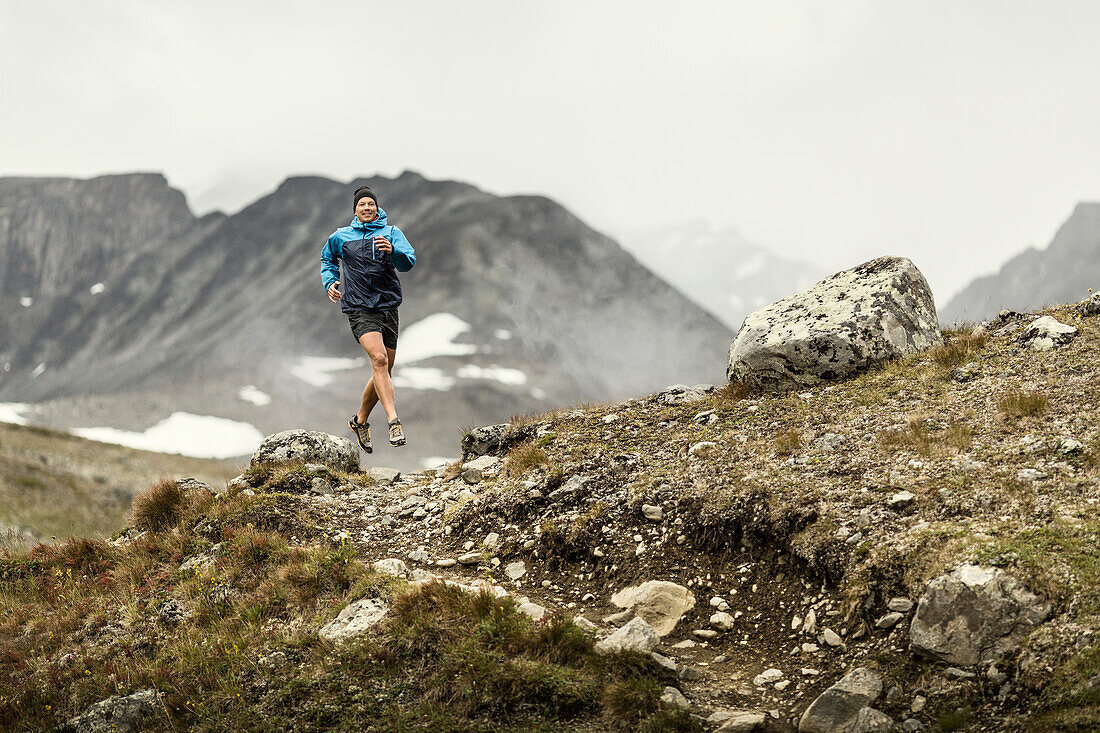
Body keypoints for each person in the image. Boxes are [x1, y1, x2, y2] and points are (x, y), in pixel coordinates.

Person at [320, 185, 416, 453]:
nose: (366, 208)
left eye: (370, 204)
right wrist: (330, 281)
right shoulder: (341, 237)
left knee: (384, 370)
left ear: (377, 208)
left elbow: (408, 262)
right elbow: (327, 260)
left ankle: (360, 421)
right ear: (355, 210)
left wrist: (393, 251)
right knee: (380, 360)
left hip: (387, 306)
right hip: (358, 307)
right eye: (361, 204)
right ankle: (393, 422)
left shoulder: (391, 233)